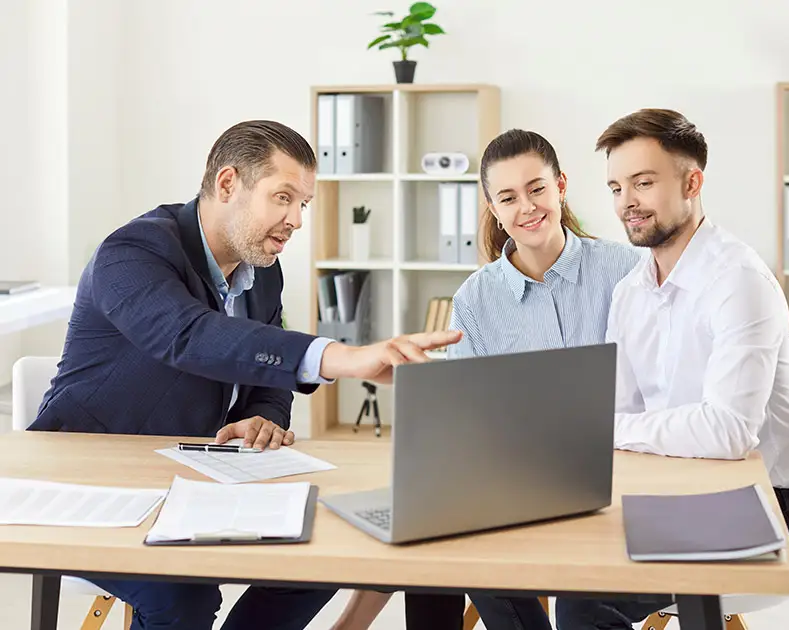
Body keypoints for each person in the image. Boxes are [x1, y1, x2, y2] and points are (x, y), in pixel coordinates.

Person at [332, 124, 789, 629]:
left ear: (561, 188)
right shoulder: (479, 298)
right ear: (493, 209)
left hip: (637, 474)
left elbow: (725, 334)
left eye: (536, 189)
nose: (526, 207)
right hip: (546, 470)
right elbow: (464, 404)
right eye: (508, 197)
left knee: (566, 581)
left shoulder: (628, 269)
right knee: (452, 543)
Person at [28, 120, 463, 630]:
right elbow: (189, 337)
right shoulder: (132, 253)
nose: (296, 220)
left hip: (190, 473)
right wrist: (340, 357)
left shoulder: (263, 270)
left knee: (319, 551)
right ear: (228, 183)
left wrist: (262, 414)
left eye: (303, 203)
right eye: (283, 198)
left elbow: (265, 372)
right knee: (184, 599)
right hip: (89, 481)